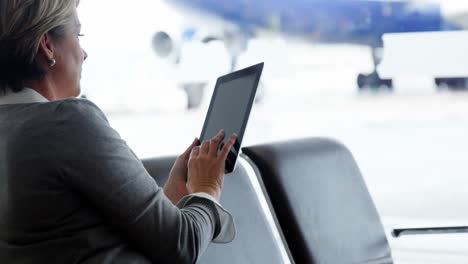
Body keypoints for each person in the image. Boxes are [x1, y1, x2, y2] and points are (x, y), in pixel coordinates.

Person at [0, 1, 236, 263]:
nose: (84, 53)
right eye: (78, 36)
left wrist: (167, 200)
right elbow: (184, 244)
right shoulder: (68, 122)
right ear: (47, 46)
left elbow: (69, 235)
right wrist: (206, 188)